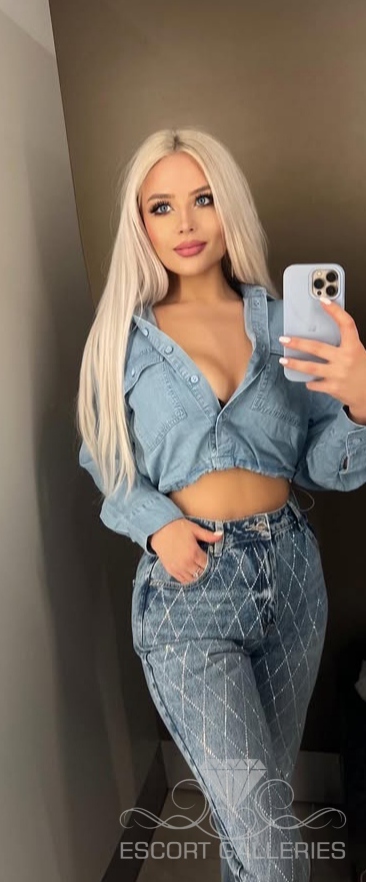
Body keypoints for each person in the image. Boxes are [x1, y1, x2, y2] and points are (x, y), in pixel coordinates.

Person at [76, 127, 366, 881]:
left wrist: (360, 405)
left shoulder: (286, 323)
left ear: (228, 205)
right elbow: (102, 458)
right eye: (161, 206)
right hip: (191, 591)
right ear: (140, 224)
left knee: (258, 817)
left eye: (203, 199)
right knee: (268, 837)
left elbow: (326, 468)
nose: (186, 222)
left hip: (292, 577)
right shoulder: (124, 340)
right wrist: (157, 528)